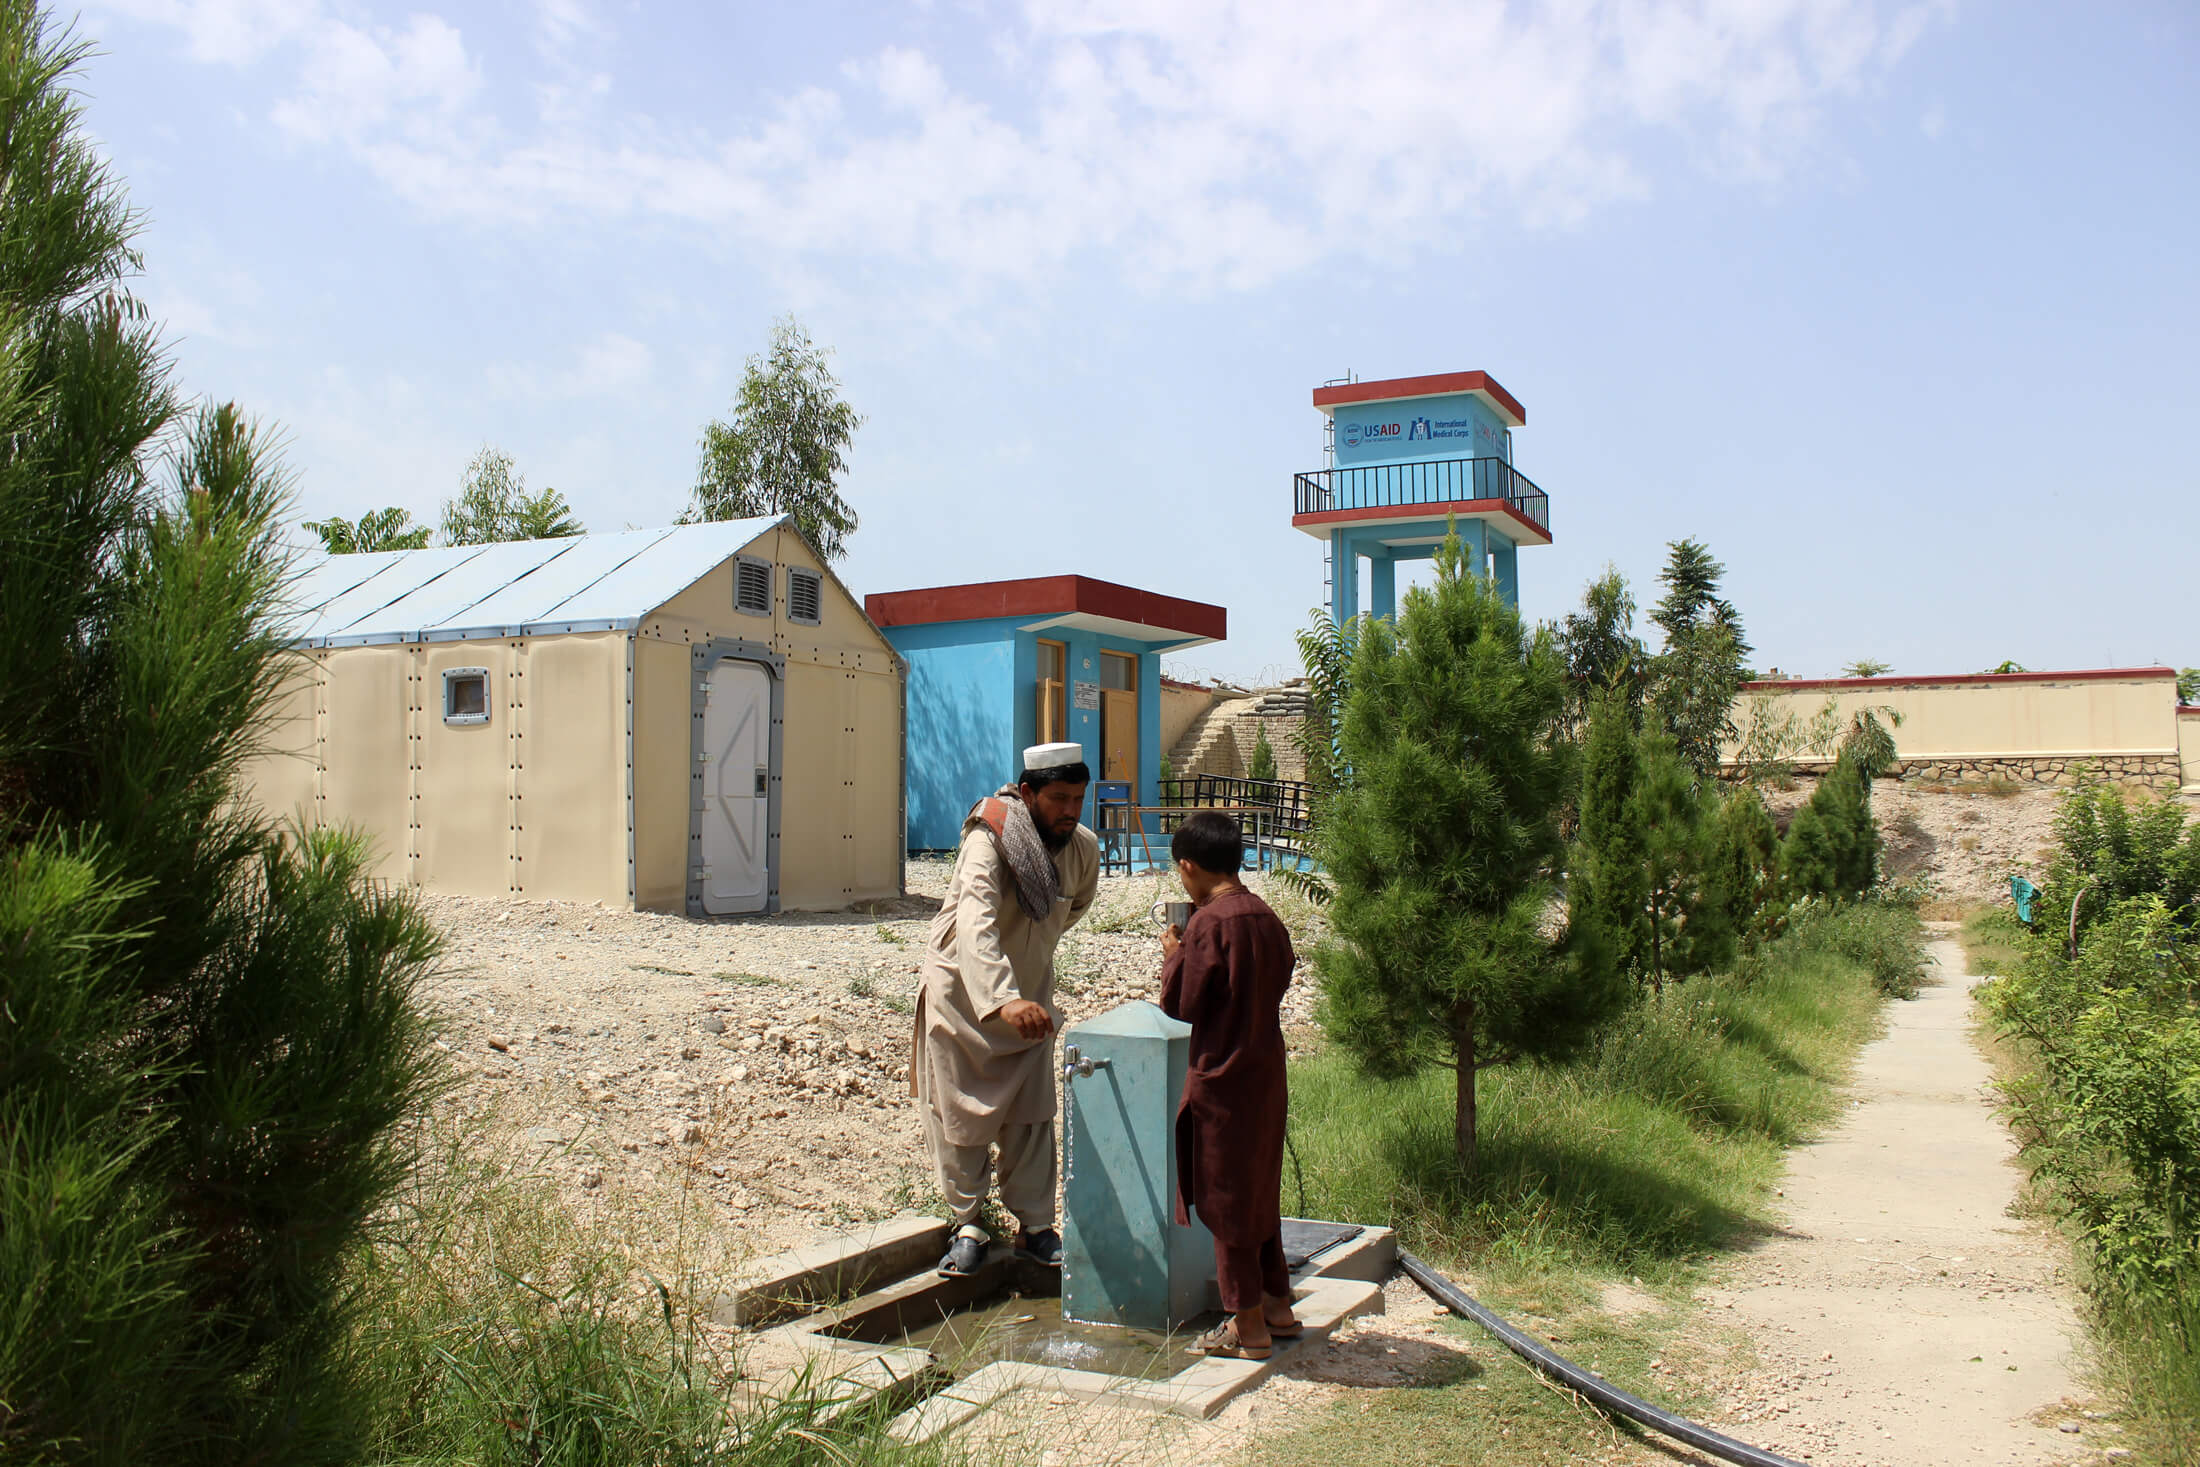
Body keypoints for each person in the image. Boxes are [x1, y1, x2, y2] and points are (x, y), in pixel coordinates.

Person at [914, 741, 1099, 1277]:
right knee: (959, 1113)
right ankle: (967, 1223)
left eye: (1078, 799)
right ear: (1027, 793)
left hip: (1028, 1000)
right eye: (1058, 798)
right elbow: (976, 922)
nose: (1069, 810)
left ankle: (1036, 1227)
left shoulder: (1080, 848)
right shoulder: (989, 839)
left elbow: (1076, 905)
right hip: (965, 999)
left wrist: (1027, 973)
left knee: (1031, 1114)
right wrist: (1001, 998)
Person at [1158, 811, 1302, 1360]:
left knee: (1225, 1201)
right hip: (1266, 1071)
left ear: (1189, 867)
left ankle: (1247, 1326)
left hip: (1222, 1077)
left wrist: (1175, 955)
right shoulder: (1265, 916)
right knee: (1259, 1191)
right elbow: (1282, 975)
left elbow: (1182, 1005)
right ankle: (1278, 1305)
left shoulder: (1209, 924)